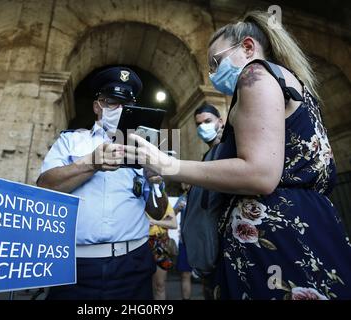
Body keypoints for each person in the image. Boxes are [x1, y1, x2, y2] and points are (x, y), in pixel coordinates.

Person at [122, 11, 351, 299]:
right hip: (312, 227)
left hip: (274, 240)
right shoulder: (296, 87)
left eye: (216, 62)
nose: (212, 74)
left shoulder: (254, 73)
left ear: (247, 47)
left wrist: (167, 164)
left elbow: (260, 174)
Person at [37, 66, 168, 300]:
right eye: (112, 103)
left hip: (133, 263)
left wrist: (156, 181)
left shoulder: (144, 149)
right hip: (76, 264)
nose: (119, 110)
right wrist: (91, 164)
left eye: (125, 105)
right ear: (98, 106)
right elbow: (46, 187)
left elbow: (157, 211)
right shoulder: (71, 141)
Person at [178, 104, 225, 300]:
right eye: (198, 124)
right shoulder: (206, 157)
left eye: (207, 121)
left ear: (220, 122)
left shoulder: (227, 151)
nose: (202, 127)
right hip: (207, 256)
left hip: (223, 252)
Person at [147, 203, 177, 300]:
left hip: (161, 244)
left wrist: (154, 222)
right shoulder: (137, 197)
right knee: (142, 285)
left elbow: (173, 224)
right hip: (141, 243)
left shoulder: (163, 200)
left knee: (160, 285)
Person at [173, 183, 192, 300]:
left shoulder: (204, 195)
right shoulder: (182, 198)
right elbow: (171, 214)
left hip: (202, 243)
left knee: (207, 277)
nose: (184, 184)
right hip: (184, 242)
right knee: (185, 275)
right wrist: (176, 208)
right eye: (183, 182)